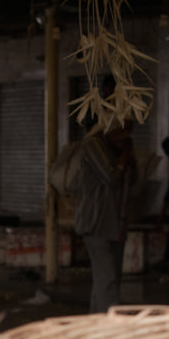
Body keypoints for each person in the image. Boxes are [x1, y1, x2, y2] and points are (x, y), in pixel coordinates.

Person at [74, 119, 137, 313]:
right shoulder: (93, 145)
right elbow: (111, 177)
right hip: (97, 222)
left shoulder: (121, 149)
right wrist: (124, 159)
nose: (125, 136)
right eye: (121, 131)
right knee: (107, 279)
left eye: (129, 131)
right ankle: (110, 329)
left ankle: (96, 324)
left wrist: (130, 158)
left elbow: (134, 181)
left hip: (118, 224)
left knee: (108, 279)